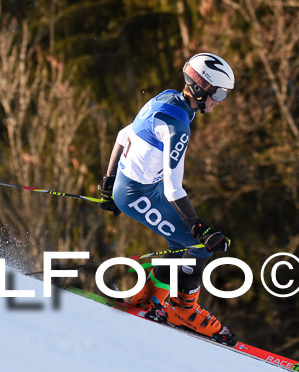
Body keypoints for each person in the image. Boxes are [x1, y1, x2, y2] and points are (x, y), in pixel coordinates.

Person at [98, 52, 237, 346]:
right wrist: (201, 228)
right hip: (138, 192)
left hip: (137, 185)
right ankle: (182, 310)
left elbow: (124, 135)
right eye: (220, 93)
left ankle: (151, 300)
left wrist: (108, 184)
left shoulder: (168, 98)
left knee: (181, 243)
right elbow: (175, 189)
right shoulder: (179, 128)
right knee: (198, 246)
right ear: (201, 88)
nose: (220, 101)